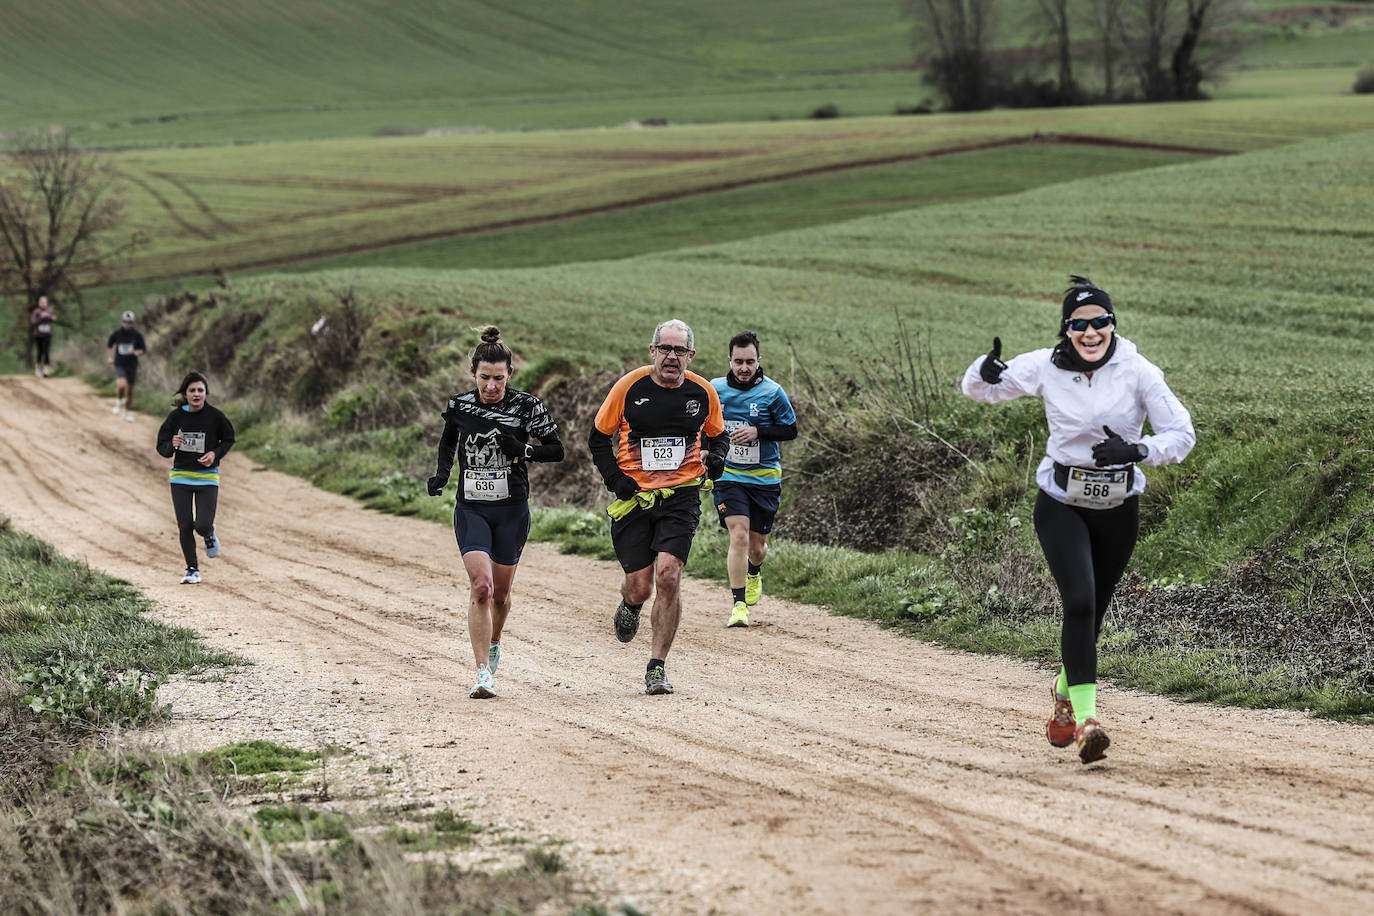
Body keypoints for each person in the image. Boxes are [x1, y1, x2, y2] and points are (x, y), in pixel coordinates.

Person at [961, 275, 1195, 764]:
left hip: (1118, 507)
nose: (1090, 332)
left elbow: (1181, 434)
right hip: (1061, 502)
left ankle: (1064, 695)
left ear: (1113, 324)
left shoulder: (1138, 371)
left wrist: (1138, 450)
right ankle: (1089, 723)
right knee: (1081, 603)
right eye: (1078, 325)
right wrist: (982, 369)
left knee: (1094, 616)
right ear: (1066, 329)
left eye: (1099, 322)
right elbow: (979, 390)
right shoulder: (1045, 366)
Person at [588, 319, 728, 695]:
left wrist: (717, 459)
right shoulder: (629, 387)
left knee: (668, 576)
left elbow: (719, 435)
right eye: (665, 349)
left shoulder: (703, 392)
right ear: (653, 351)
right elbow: (598, 438)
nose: (671, 356)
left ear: (690, 355)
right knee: (640, 586)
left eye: (679, 350)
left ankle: (657, 667)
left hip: (681, 497)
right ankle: (631, 604)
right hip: (635, 498)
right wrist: (615, 480)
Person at [427, 327, 564, 700]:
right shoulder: (460, 406)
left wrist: (523, 449)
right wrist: (442, 474)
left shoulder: (527, 406)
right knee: (482, 587)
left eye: (498, 378)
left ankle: (494, 641)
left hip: (511, 511)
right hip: (472, 508)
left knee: (501, 596)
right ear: (473, 373)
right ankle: (482, 673)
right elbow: (448, 441)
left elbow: (557, 450)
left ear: (510, 375)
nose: (491, 386)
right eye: (484, 377)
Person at [709, 331, 798, 628]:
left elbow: (790, 430)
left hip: (764, 478)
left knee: (757, 548)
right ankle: (739, 605)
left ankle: (754, 571)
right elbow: (703, 425)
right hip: (729, 475)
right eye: (738, 362)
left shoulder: (773, 392)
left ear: (759, 360)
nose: (744, 368)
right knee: (739, 535)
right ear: (729, 360)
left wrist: (758, 432)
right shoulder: (715, 389)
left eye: (750, 362)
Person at [155, 371, 234, 585]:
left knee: (202, 524)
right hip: (180, 478)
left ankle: (208, 534)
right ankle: (192, 570)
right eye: (192, 390)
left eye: (200, 390)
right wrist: (173, 445)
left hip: (207, 478)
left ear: (206, 393)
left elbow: (229, 439)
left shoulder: (216, 416)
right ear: (185, 394)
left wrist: (215, 454)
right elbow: (162, 447)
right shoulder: (175, 417)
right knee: (185, 525)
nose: (196, 394)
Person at [107, 310, 147, 422]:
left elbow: (143, 349)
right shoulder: (116, 333)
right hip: (119, 363)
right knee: (121, 385)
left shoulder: (137, 335)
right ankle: (119, 402)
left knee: (130, 391)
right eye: (125, 321)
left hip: (132, 364)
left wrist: (138, 352)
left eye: (129, 322)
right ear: (122, 321)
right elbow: (110, 345)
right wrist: (110, 357)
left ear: (133, 323)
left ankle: (127, 413)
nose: (127, 324)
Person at [29, 296, 55, 378]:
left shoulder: (49, 311)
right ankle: (38, 369)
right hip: (38, 335)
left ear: (47, 303)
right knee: (40, 351)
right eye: (42, 302)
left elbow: (52, 319)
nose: (43, 304)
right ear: (39, 303)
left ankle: (46, 369)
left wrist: (49, 317)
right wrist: (41, 317)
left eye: (45, 302)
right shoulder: (36, 312)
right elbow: (33, 322)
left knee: (46, 351)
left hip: (47, 334)